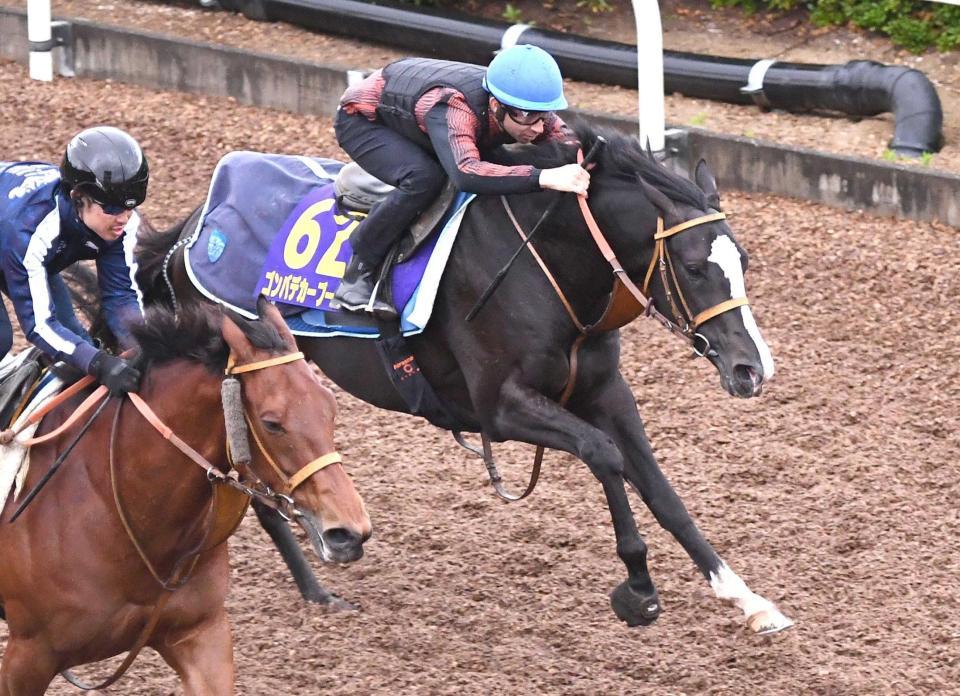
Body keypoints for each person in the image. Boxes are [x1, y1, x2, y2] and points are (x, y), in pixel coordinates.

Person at [332, 44, 590, 317]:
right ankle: (357, 273)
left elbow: (570, 143)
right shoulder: (455, 106)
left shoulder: (521, 105)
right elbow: (466, 172)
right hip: (364, 122)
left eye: (543, 115)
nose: (538, 126)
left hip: (420, 119)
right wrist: (544, 177)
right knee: (423, 178)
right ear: (495, 105)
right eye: (527, 116)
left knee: (509, 167)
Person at [0, 126, 149, 395]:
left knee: (77, 342)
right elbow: (39, 325)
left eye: (130, 206)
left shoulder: (120, 222)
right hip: (12, 235)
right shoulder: (30, 228)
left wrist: (145, 350)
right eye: (113, 208)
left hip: (18, 247)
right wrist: (101, 365)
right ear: (78, 197)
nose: (124, 218)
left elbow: (121, 296)